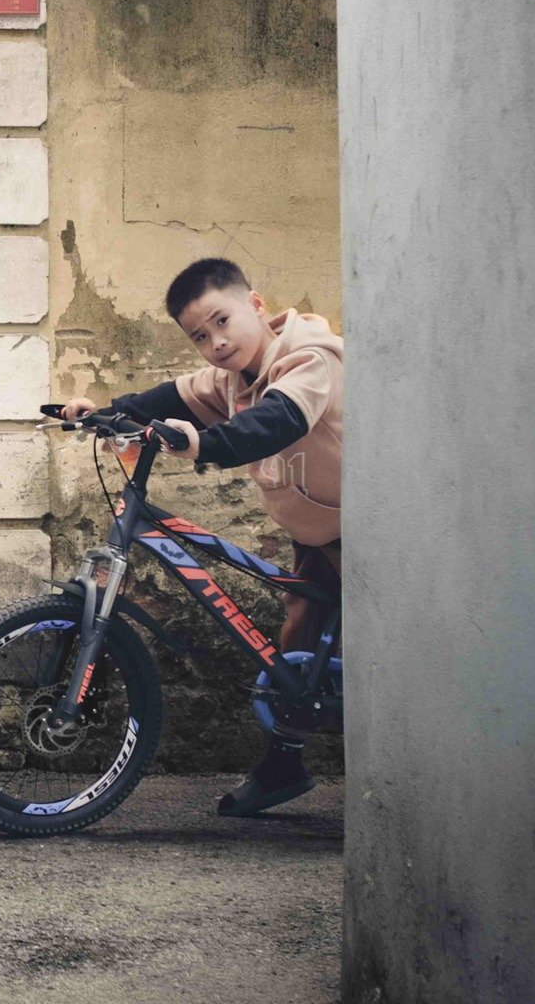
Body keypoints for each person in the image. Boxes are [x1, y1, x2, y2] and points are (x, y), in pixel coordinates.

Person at [61, 257, 343, 817]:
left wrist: (204, 445)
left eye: (222, 321)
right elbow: (167, 398)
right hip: (317, 535)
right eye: (199, 336)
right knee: (296, 658)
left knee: (381, 661)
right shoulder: (229, 379)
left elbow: (276, 422)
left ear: (256, 305)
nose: (215, 342)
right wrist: (105, 414)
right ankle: (283, 770)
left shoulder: (312, 359)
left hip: (371, 534)